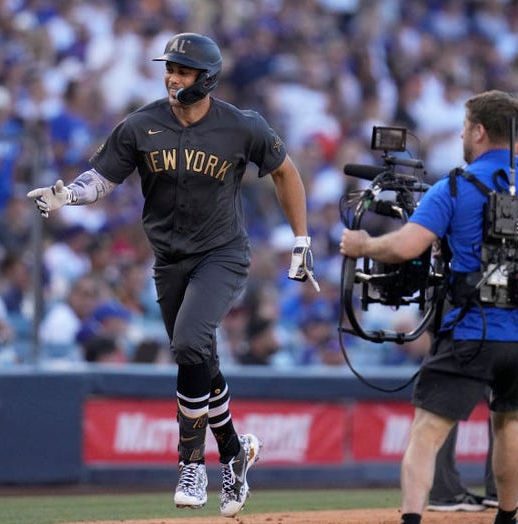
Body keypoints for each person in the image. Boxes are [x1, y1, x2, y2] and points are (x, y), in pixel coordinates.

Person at [27, 33, 312, 517]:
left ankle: (191, 464)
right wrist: (67, 196)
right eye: (170, 69)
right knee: (199, 356)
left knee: (187, 344)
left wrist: (302, 239)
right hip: (170, 259)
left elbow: (285, 172)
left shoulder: (242, 126)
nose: (172, 77)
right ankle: (236, 454)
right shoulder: (142, 123)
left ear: (207, 79)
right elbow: (103, 177)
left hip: (222, 253)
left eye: (182, 71)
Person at [340, 90, 518, 524]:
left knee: (427, 430)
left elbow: (407, 245)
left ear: (478, 131)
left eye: (464, 127)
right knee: (509, 421)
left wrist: (363, 243)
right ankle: (507, 516)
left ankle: (412, 519)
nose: (461, 133)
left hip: (473, 331)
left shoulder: (454, 187)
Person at [427, 128, 518, 514]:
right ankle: (448, 490)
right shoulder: (467, 184)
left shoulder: (464, 186)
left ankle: (490, 489)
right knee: (471, 410)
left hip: (483, 302)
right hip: (472, 301)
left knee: (473, 407)